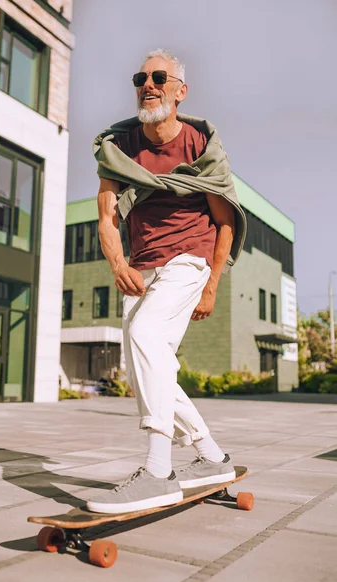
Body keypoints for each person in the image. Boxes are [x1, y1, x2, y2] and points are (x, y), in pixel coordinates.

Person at [86, 49, 247, 514]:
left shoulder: (201, 146)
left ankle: (158, 470)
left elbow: (224, 220)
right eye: (141, 77)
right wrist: (118, 264)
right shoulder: (120, 147)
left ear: (180, 91)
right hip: (142, 265)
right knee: (145, 367)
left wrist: (212, 284)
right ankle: (213, 456)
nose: (149, 84)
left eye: (160, 77)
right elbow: (106, 215)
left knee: (144, 336)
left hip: (189, 260)